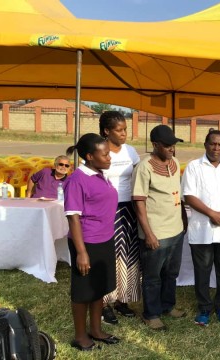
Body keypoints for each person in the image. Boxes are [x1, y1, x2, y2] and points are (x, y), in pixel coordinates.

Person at [181, 129, 220, 326]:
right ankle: (204, 309)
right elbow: (188, 196)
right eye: (213, 144)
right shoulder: (193, 166)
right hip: (202, 230)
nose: (216, 148)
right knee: (202, 271)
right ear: (205, 145)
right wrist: (212, 214)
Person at [64, 133, 120, 351]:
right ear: (89, 156)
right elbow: (73, 217)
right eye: (104, 154)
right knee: (82, 291)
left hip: (105, 238)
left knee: (98, 287)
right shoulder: (77, 180)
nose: (109, 157)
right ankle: (80, 336)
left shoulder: (100, 173)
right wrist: (81, 252)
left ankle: (96, 329)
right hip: (86, 242)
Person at [132, 124, 188, 331]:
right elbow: (138, 202)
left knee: (171, 273)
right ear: (155, 145)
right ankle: (151, 314)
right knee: (152, 276)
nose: (171, 149)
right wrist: (148, 233)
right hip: (155, 233)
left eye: (173, 145)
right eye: (167, 146)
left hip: (176, 230)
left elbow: (177, 195)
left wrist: (183, 220)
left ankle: (167, 305)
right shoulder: (144, 167)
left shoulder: (174, 162)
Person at [98, 111, 141, 325]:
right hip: (106, 210)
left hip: (129, 209)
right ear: (107, 131)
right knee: (110, 255)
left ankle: (123, 300)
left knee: (128, 254)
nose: (125, 133)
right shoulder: (99, 150)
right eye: (119, 130)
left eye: (125, 129)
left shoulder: (130, 151)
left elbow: (139, 178)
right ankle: (104, 302)